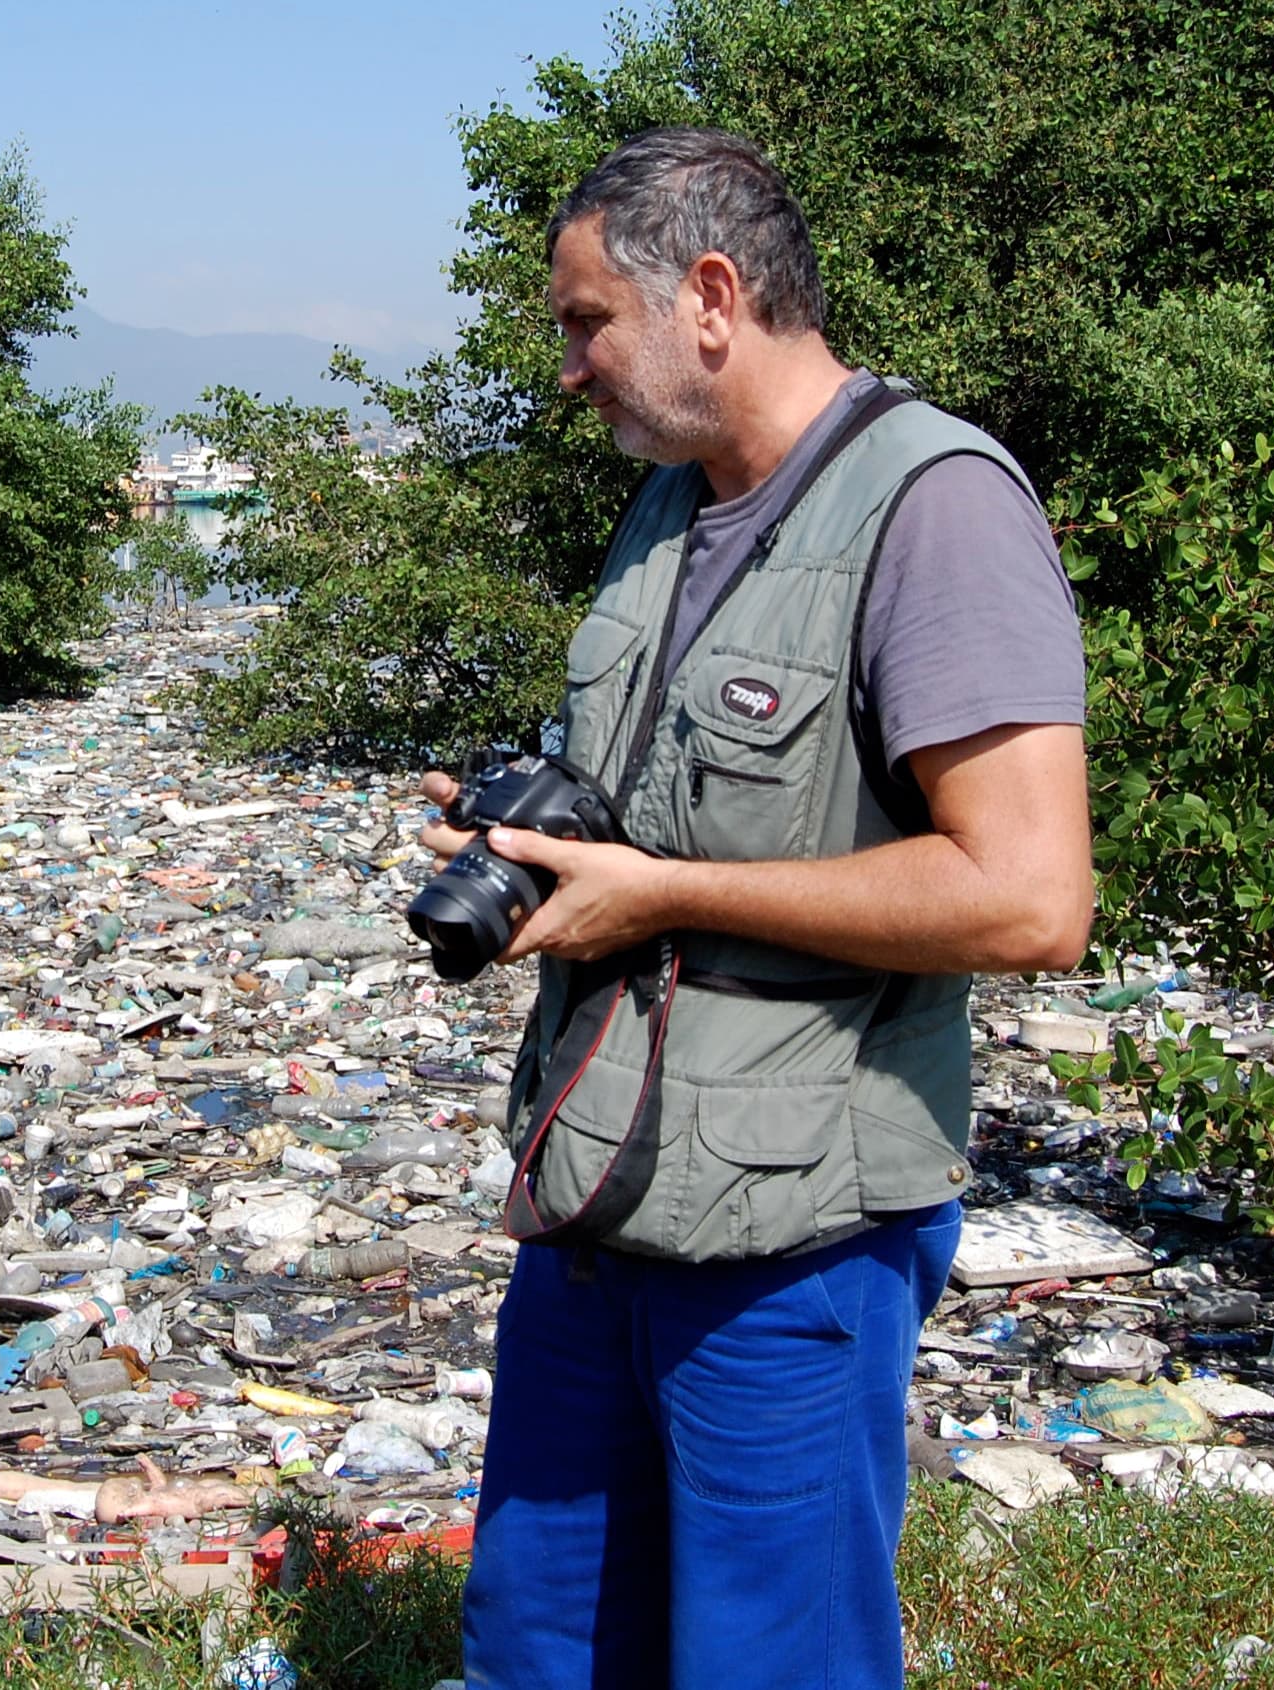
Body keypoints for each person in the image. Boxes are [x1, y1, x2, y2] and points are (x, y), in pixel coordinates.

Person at [430, 128, 1093, 1690]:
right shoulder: (669, 506)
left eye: (587, 320)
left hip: (793, 1236)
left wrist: (659, 897)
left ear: (709, 296)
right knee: (535, 1642)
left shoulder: (935, 506)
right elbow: (658, 807)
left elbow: (1027, 894)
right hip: (598, 1198)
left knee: (766, 1661)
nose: (571, 368)